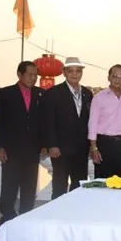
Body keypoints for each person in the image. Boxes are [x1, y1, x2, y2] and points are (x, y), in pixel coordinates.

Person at [0, 61, 46, 233]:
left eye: (35, 75)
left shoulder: (40, 94)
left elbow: (44, 123)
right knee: (10, 184)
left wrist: (45, 143)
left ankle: (25, 218)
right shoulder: (6, 93)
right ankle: (7, 219)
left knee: (29, 185)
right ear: (19, 74)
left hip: (32, 149)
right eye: (30, 74)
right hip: (11, 149)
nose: (33, 78)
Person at [42, 57, 93, 199]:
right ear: (64, 73)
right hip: (60, 149)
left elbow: (90, 122)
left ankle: (74, 213)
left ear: (81, 73)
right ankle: (57, 215)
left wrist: (91, 145)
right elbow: (48, 122)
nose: (74, 74)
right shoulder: (53, 93)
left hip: (81, 149)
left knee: (79, 184)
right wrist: (52, 145)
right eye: (71, 71)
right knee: (60, 185)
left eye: (78, 71)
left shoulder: (87, 94)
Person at [88, 64, 121, 179]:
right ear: (109, 77)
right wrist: (94, 148)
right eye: (114, 76)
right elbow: (92, 123)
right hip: (104, 144)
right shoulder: (99, 97)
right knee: (103, 182)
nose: (117, 79)